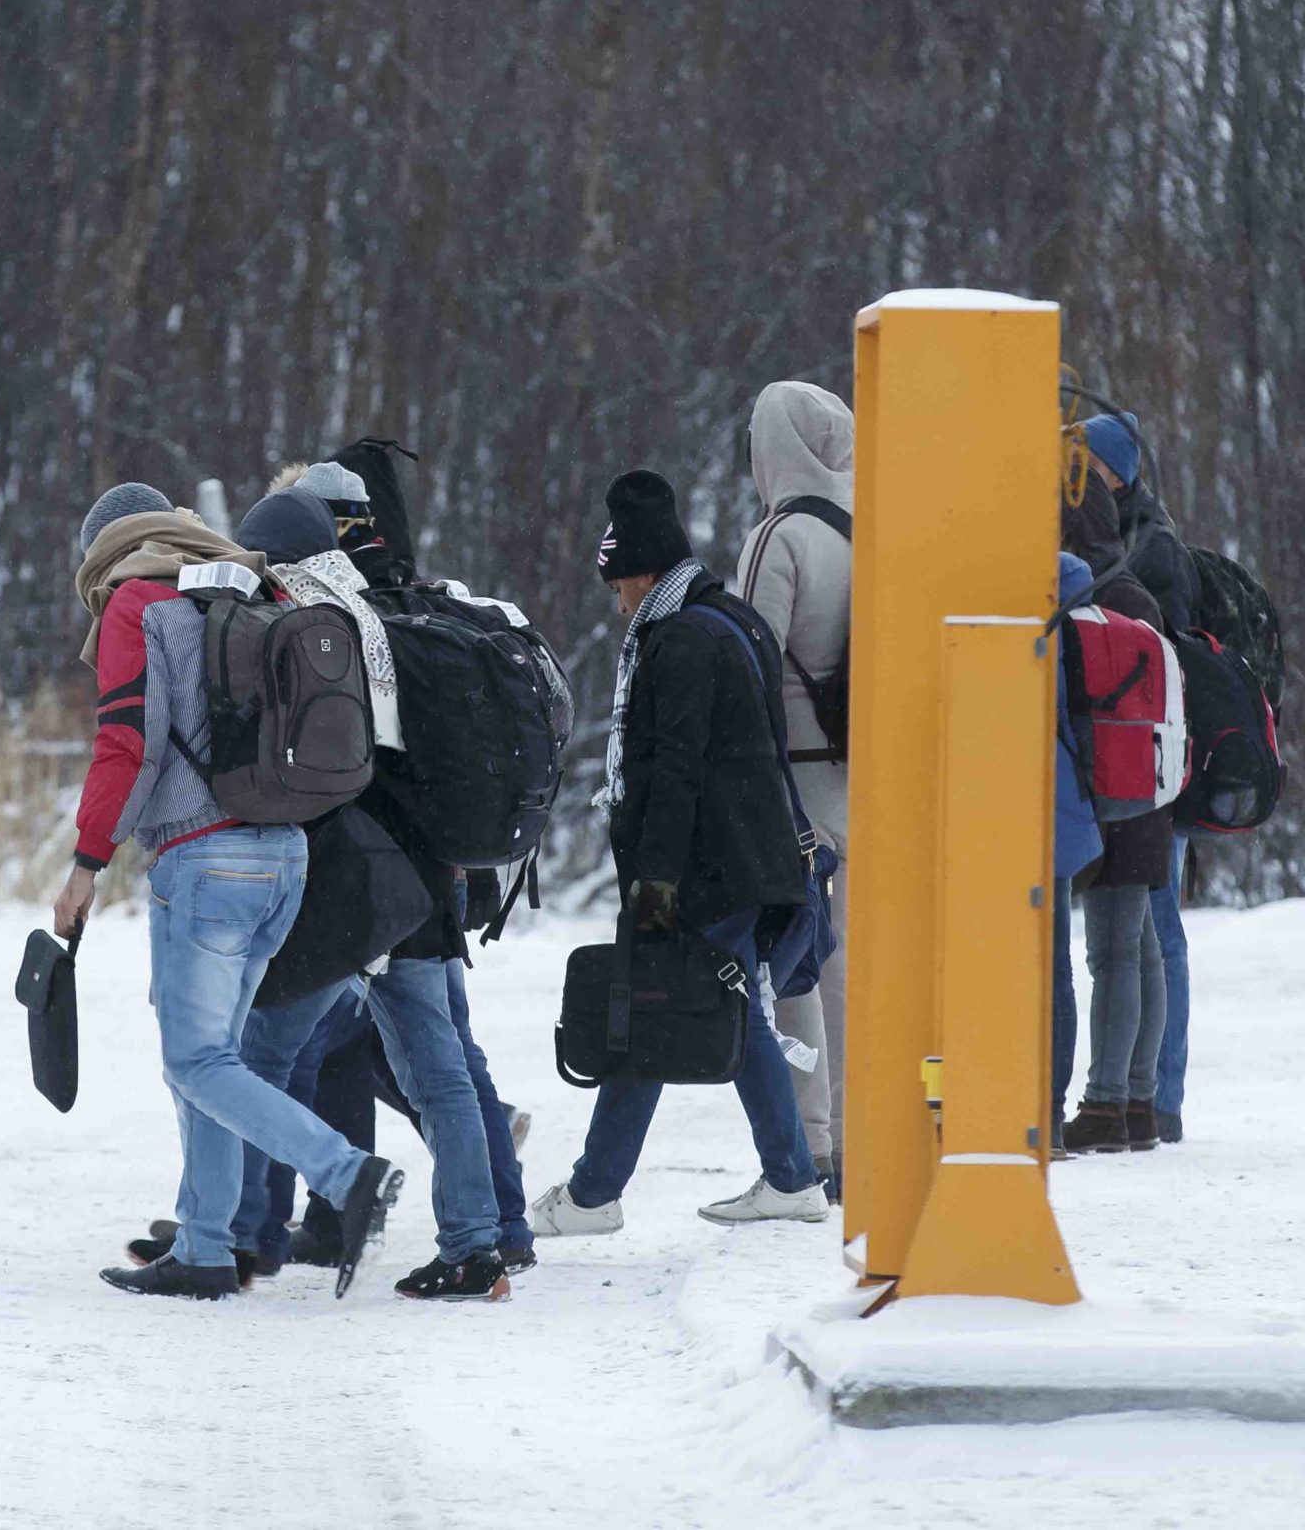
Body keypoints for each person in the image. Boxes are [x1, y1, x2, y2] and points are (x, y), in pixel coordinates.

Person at [56, 483, 403, 1300]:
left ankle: (347, 1173)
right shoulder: (241, 583)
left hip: (205, 863)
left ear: (105, 550)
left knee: (198, 1058)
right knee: (212, 1057)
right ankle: (206, 1246)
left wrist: (86, 861)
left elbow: (128, 745)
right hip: (283, 854)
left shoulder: (136, 603)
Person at [217, 488, 516, 1302]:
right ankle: (476, 1248)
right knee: (440, 1074)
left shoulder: (310, 628)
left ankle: (238, 1234)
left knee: (258, 1056)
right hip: (421, 887)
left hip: (350, 891)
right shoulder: (388, 622)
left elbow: (316, 774)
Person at [529, 471, 822, 1237]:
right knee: (727, 1007)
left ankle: (594, 1194)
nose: (617, 603)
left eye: (619, 585)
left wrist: (654, 889)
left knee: (650, 1004)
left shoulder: (681, 640)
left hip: (708, 868)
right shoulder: (731, 619)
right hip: (750, 856)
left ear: (644, 572)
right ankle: (790, 1176)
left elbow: (675, 774)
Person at [731, 380, 852, 1199]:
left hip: (794, 781)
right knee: (848, 961)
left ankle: (811, 1141)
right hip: (860, 776)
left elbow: (749, 661)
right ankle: (857, 1129)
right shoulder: (865, 532)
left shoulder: (780, 536)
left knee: (796, 959)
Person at [1079, 412, 1197, 1144]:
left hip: (1140, 764)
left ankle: (1147, 1098)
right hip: (1150, 761)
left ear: (1113, 473)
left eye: (1086, 465)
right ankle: (1145, 1098)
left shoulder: (1144, 552)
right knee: (1143, 941)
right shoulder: (1136, 544)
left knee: (1142, 939)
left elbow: (1157, 658)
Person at [1059, 461, 1174, 1155]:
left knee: (1112, 954)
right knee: (1139, 949)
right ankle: (1137, 1100)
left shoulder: (1084, 597)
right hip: (1147, 784)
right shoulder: (1134, 590)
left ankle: (1106, 1104)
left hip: (1106, 788)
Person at [1051, 553, 1109, 1155]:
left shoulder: (1039, 617)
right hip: (1070, 802)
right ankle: (1048, 1111)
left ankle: (1030, 1111)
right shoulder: (1085, 615)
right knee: (1055, 968)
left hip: (1028, 802)